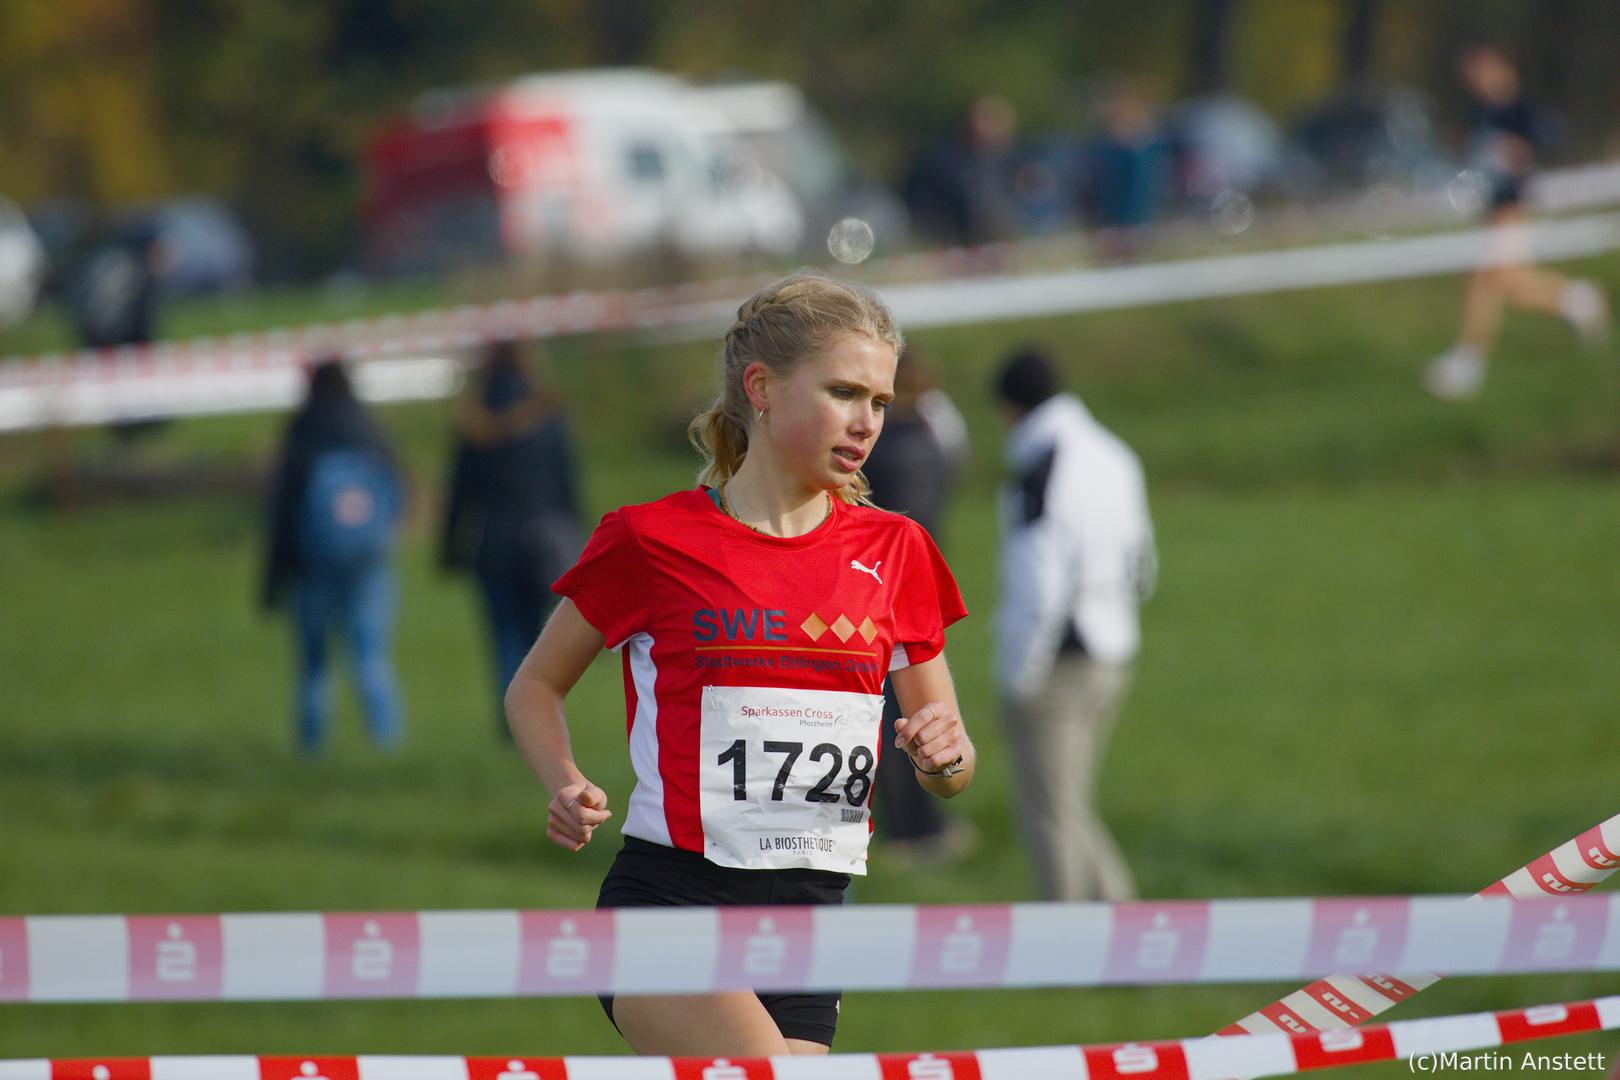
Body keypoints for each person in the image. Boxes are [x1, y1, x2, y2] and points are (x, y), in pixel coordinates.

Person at [504, 269, 975, 1057]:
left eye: (881, 401)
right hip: (673, 904)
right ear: (761, 388)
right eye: (844, 392)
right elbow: (535, 685)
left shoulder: (898, 550)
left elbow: (952, 765)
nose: (866, 422)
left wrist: (943, 756)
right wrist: (564, 781)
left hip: (811, 918)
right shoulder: (650, 540)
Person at [992, 346, 1154, 903]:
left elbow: (1038, 585)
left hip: (1057, 661)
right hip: (1113, 650)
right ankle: (1122, 929)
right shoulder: (1114, 452)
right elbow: (1142, 562)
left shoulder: (1042, 466)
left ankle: (1070, 938)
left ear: (1011, 407)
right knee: (1070, 806)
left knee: (1052, 816)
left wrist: (1019, 674)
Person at [1424, 39, 1609, 401]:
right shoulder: (1478, 110)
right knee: (1515, 287)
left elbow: (1548, 145)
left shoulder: (1523, 108)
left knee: (1483, 278)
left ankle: (1466, 362)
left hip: (1515, 206)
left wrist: (1520, 152)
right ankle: (1576, 299)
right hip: (1491, 207)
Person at [859, 344, 976, 866]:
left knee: (889, 715)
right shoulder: (934, 437)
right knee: (927, 713)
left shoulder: (879, 451)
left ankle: (907, 831)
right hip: (923, 579)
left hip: (873, 586)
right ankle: (931, 823)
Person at [262, 356, 406, 754]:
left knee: (314, 665)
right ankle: (388, 746)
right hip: (368, 563)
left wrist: (273, 578)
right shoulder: (368, 427)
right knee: (371, 658)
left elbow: (282, 511)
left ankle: (310, 749)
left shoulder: (303, 431)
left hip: (313, 566)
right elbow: (399, 489)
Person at [440, 339, 584, 735]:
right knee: (540, 642)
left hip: (493, 544)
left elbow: (459, 492)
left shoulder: (475, 421)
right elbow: (566, 486)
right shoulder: (548, 416)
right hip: (543, 544)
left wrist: (450, 549)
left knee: (505, 637)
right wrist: (579, 541)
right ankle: (540, 725)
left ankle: (512, 727)